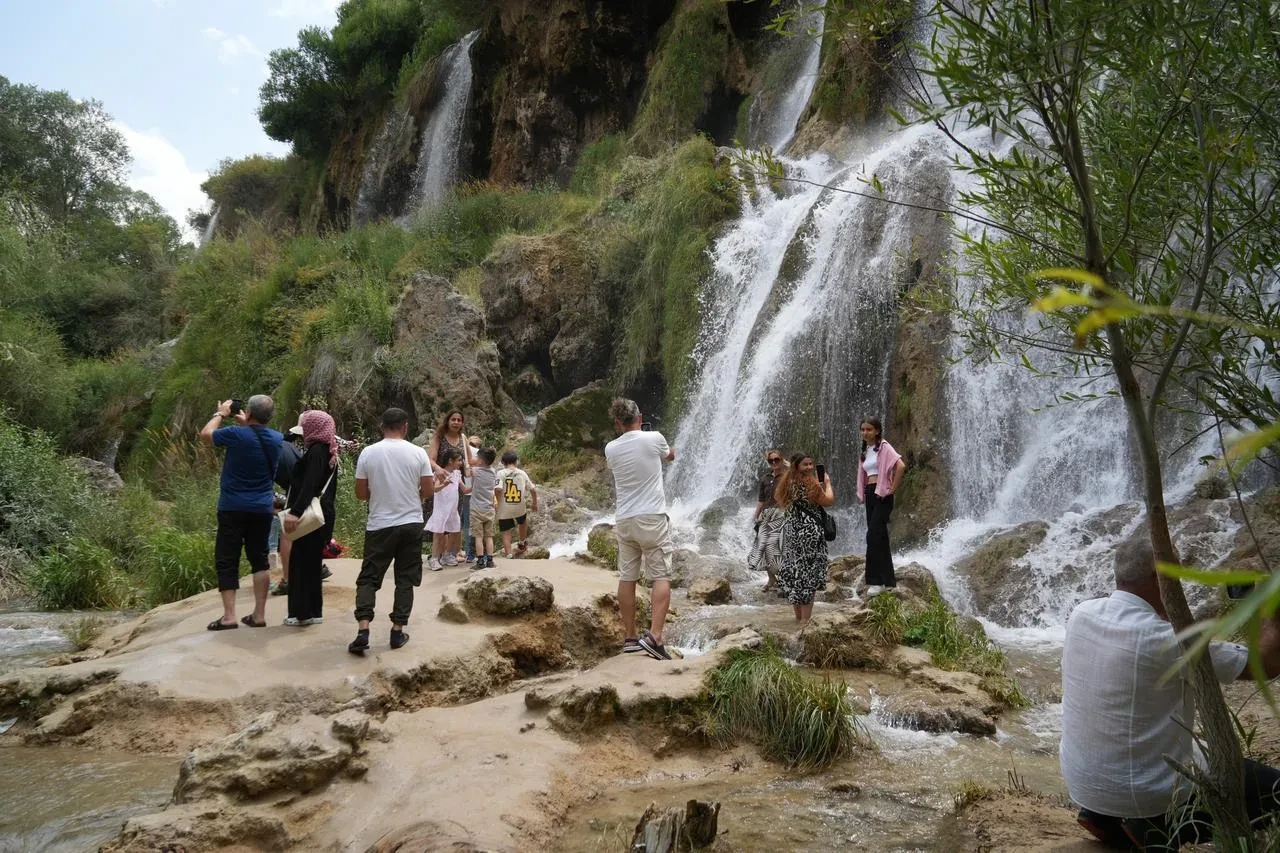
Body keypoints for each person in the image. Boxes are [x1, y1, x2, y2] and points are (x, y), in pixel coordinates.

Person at [1061, 538, 1280, 850]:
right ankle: (1155, 827)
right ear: (1159, 577)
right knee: (1274, 791)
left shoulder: (1082, 614)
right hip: (1145, 795)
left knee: (1195, 752)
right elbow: (1266, 663)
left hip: (1086, 787)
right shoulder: (1165, 640)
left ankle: (1104, 818)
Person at [349, 408, 432, 654]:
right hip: (411, 523)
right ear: (405, 427)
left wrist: (380, 495)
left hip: (379, 524)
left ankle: (363, 630)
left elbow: (360, 493)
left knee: (369, 578)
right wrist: (412, 496)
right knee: (405, 578)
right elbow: (428, 490)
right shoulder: (418, 453)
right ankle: (397, 632)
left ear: (381, 426)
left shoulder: (368, 452)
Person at [198, 395, 283, 631]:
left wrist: (221, 413)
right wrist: (248, 422)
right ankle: (259, 615)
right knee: (260, 559)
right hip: (262, 508)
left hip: (232, 507)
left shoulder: (236, 434)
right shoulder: (277, 439)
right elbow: (257, 438)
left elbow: (206, 435)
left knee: (227, 559)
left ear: (250, 412)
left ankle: (229, 617)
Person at [604, 398, 675, 660]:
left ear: (617, 423)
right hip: (651, 517)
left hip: (624, 519)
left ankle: (630, 638)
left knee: (627, 577)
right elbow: (669, 456)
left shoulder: (611, 448)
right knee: (661, 576)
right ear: (640, 417)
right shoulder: (654, 438)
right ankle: (655, 637)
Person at [281, 410, 339, 626]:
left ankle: (302, 614)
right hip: (322, 515)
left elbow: (309, 485)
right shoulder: (329, 451)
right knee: (313, 564)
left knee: (301, 564)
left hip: (308, 516)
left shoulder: (316, 452)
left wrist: (295, 512)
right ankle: (314, 612)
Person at [775, 453, 835, 625]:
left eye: (810, 464)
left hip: (792, 534)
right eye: (805, 464)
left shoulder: (787, 482)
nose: (809, 467)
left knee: (795, 574)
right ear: (797, 466)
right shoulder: (810, 483)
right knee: (809, 575)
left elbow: (780, 500)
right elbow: (828, 501)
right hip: (810, 534)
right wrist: (827, 484)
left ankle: (798, 619)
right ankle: (805, 621)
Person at [856, 418, 905, 595]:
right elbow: (864, 474)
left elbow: (901, 466)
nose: (865, 432)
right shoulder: (866, 451)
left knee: (873, 536)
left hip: (882, 494)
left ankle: (876, 581)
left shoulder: (884, 446)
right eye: (863, 429)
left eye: (869, 429)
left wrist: (892, 490)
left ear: (877, 431)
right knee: (880, 537)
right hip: (870, 493)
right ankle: (888, 581)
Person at [427, 410, 475, 566]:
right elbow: (430, 459)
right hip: (441, 480)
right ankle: (436, 556)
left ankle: (448, 554)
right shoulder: (439, 437)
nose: (456, 422)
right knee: (440, 523)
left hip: (456, 483)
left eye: (459, 420)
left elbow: (470, 460)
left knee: (454, 522)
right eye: (453, 419)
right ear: (447, 420)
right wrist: (438, 469)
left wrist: (485, 465)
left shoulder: (463, 438)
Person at [269, 427, 305, 596]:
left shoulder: (267, 449)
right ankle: (312, 569)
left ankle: (288, 580)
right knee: (301, 530)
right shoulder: (288, 445)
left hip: (293, 489)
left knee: (287, 533)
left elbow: (265, 480)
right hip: (302, 489)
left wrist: (274, 507)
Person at [749, 449, 788, 595]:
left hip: (781, 513)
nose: (774, 463)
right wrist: (756, 516)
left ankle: (783, 580)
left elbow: (800, 473)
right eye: (771, 461)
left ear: (782, 460)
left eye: (777, 460)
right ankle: (771, 579)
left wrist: (787, 464)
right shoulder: (765, 478)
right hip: (766, 514)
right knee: (764, 547)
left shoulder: (787, 476)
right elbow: (761, 500)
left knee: (779, 547)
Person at [426, 448, 470, 570]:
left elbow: (465, 490)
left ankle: (448, 554)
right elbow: (434, 490)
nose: (461, 463)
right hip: (441, 509)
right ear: (451, 461)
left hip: (452, 509)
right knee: (438, 533)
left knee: (455, 531)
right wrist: (444, 484)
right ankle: (434, 558)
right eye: (459, 460)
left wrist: (477, 485)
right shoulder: (439, 473)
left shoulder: (457, 474)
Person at [495, 450, 537, 558]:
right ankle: (522, 543)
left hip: (505, 507)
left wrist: (497, 503)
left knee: (506, 531)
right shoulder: (522, 473)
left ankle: (508, 554)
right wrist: (534, 503)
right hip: (519, 506)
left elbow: (498, 489)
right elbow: (533, 490)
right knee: (522, 523)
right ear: (517, 461)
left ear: (503, 462)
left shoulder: (500, 473)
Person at [469, 447, 499, 569]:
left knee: (478, 537)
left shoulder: (475, 471)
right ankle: (490, 561)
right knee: (489, 536)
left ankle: (480, 561)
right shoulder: (494, 472)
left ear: (481, 460)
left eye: (477, 457)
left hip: (476, 509)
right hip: (489, 509)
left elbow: (467, 470)